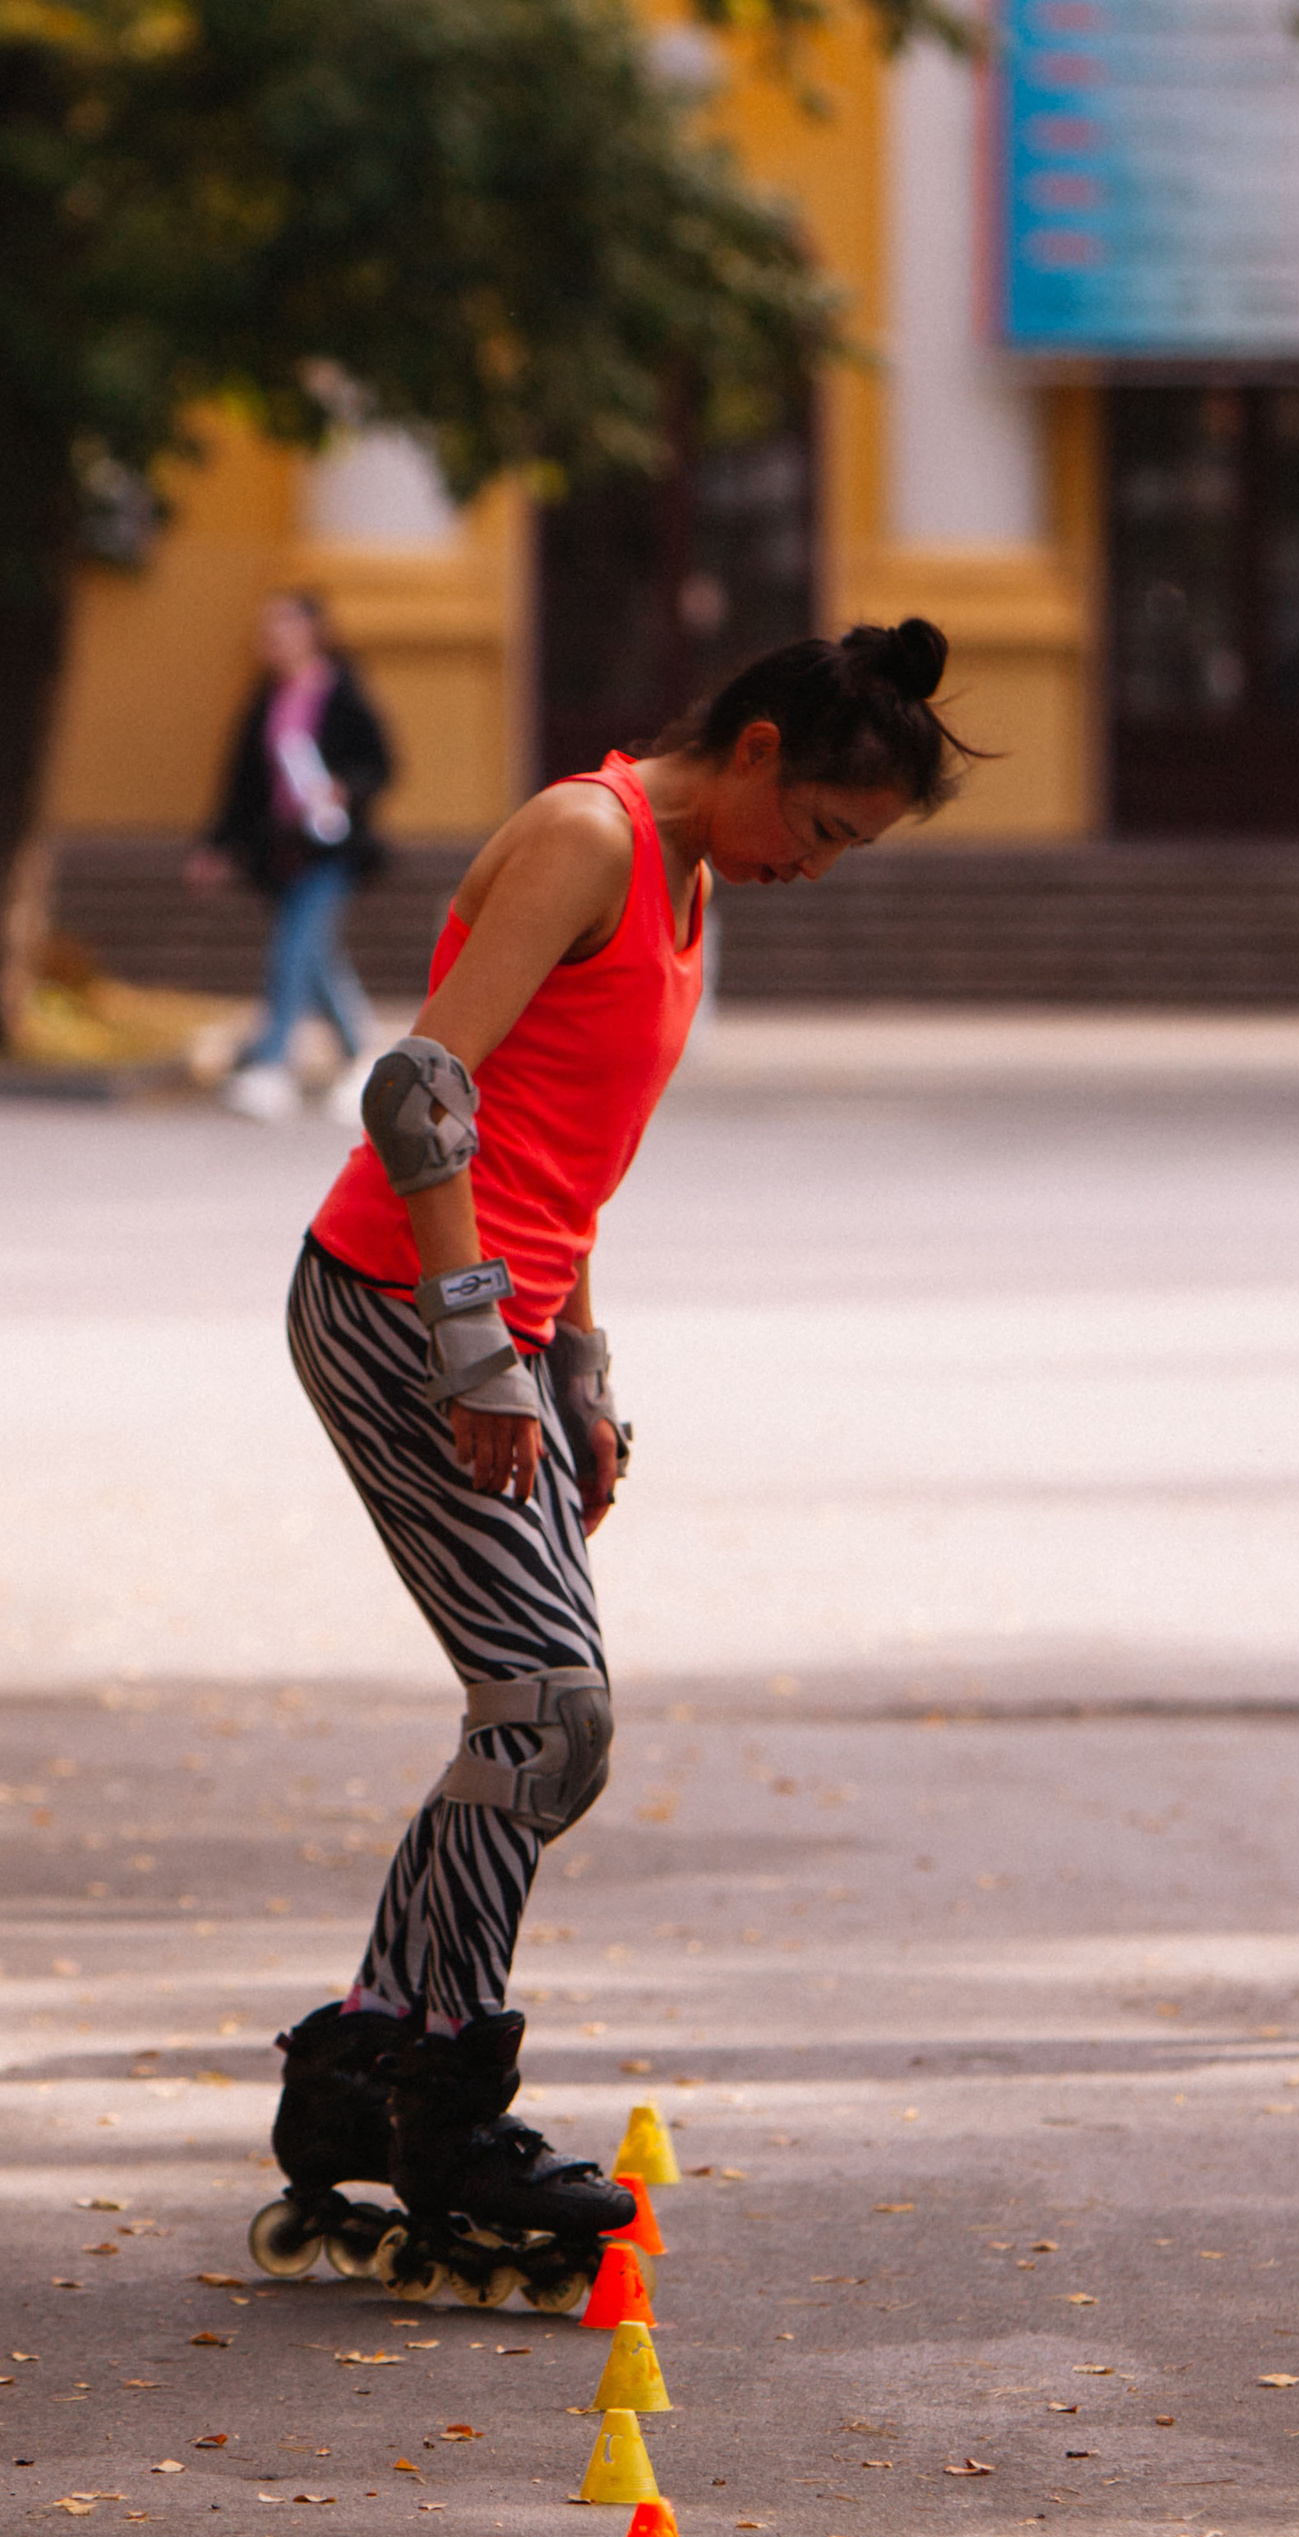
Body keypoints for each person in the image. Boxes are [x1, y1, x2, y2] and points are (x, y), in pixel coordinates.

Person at [252, 620, 975, 2299]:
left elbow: (562, 1144)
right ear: (764, 753)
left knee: (538, 1730)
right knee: (547, 1712)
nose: (817, 866)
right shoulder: (595, 838)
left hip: (494, 1319)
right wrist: (474, 1342)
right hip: (389, 1304)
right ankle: (442, 2099)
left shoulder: (697, 882)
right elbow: (422, 1091)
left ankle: (373, 2066)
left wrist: (577, 1361)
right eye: (825, 830)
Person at [191, 591, 396, 1124]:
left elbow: (379, 763)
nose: (271, 642)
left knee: (292, 949)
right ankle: (368, 1058)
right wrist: (216, 846)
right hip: (281, 850)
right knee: (316, 957)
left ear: (311, 632)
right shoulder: (267, 699)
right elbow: (241, 785)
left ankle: (273, 1063)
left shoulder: (343, 694)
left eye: (282, 629)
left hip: (331, 848)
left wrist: (342, 789)